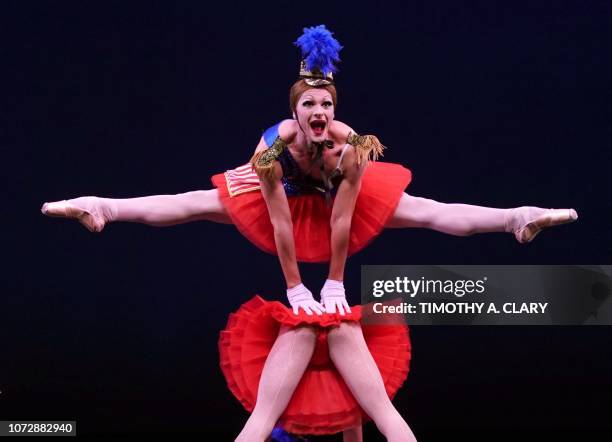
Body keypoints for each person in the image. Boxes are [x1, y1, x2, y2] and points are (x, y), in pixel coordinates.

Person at [41, 25, 578, 442]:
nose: (319, 112)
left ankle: (516, 216)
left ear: (334, 113)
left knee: (425, 209)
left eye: (326, 105)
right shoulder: (272, 148)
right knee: (195, 204)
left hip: (331, 196)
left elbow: (342, 219)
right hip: (282, 194)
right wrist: (297, 288)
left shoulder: (349, 148)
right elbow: (279, 222)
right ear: (293, 112)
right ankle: (102, 205)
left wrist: (336, 282)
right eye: (308, 105)